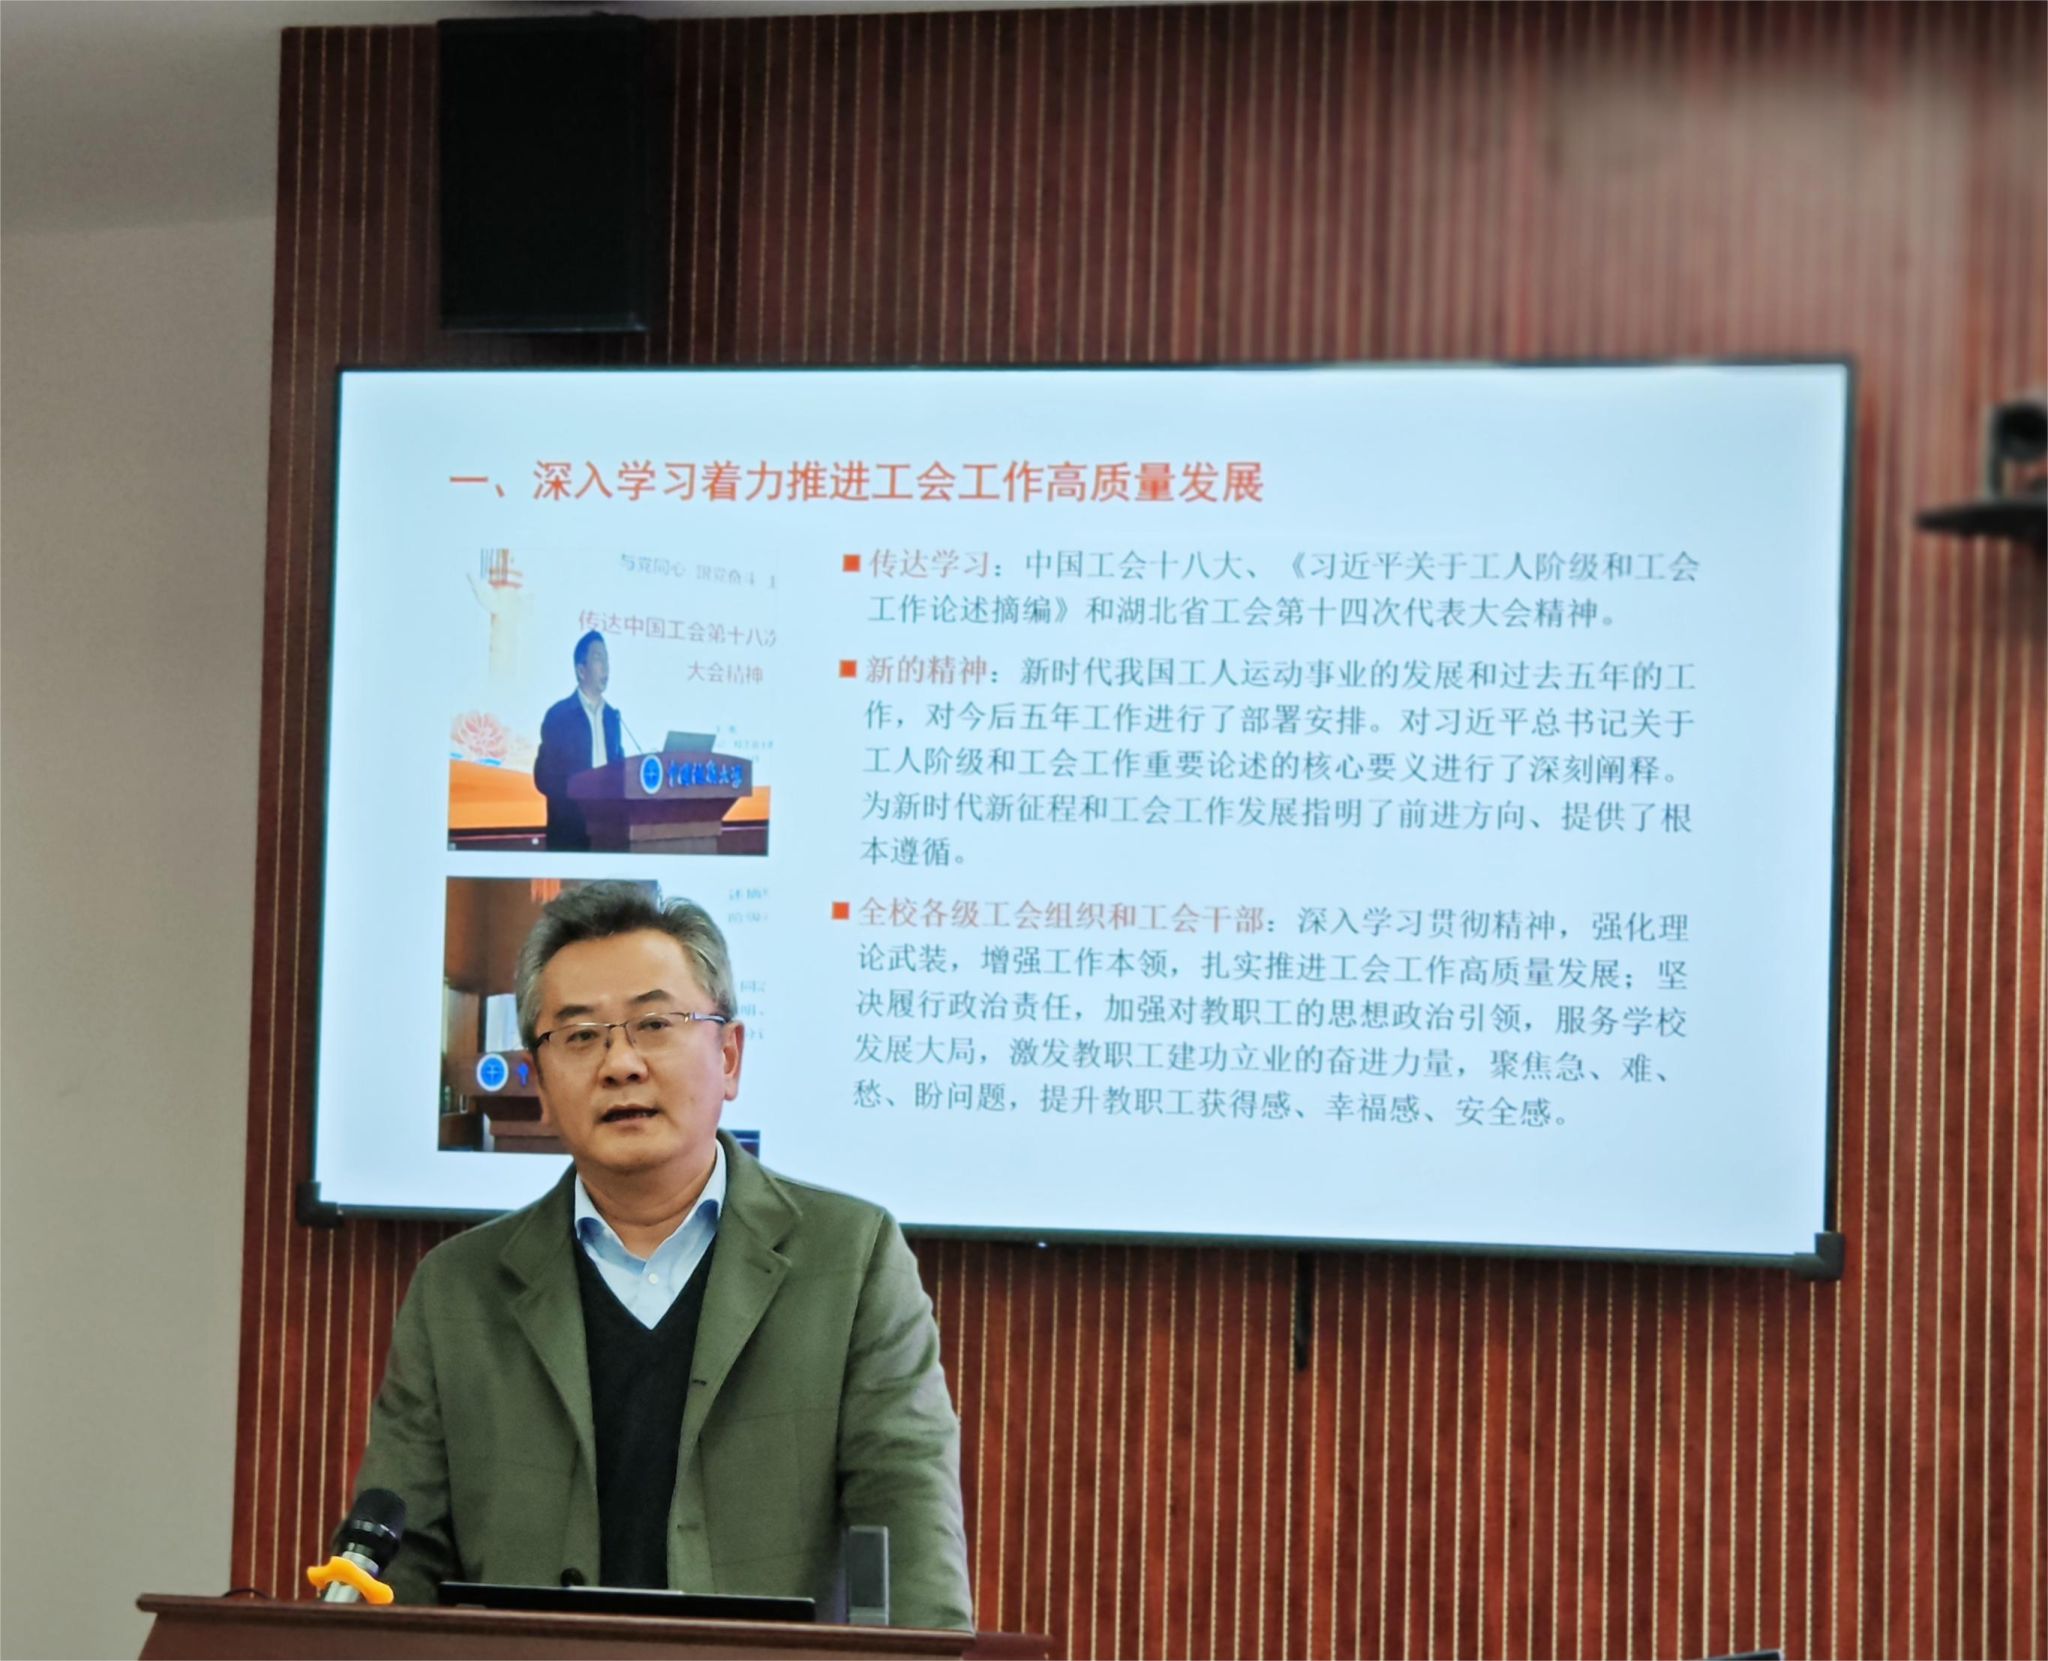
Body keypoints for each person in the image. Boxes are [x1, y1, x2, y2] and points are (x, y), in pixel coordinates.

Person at [352, 883, 973, 1627]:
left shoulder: (851, 1260)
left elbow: (910, 1538)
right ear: (541, 1083)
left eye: (654, 1024)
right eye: (580, 1035)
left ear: (729, 1056)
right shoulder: (458, 1290)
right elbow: (399, 1564)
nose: (620, 1063)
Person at [533, 630, 625, 850]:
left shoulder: (612, 717)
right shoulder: (559, 715)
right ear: (581, 670)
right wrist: (580, 797)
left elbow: (620, 770)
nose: (606, 667)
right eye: (598, 658)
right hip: (570, 833)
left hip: (608, 832)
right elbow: (544, 777)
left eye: (607, 659)